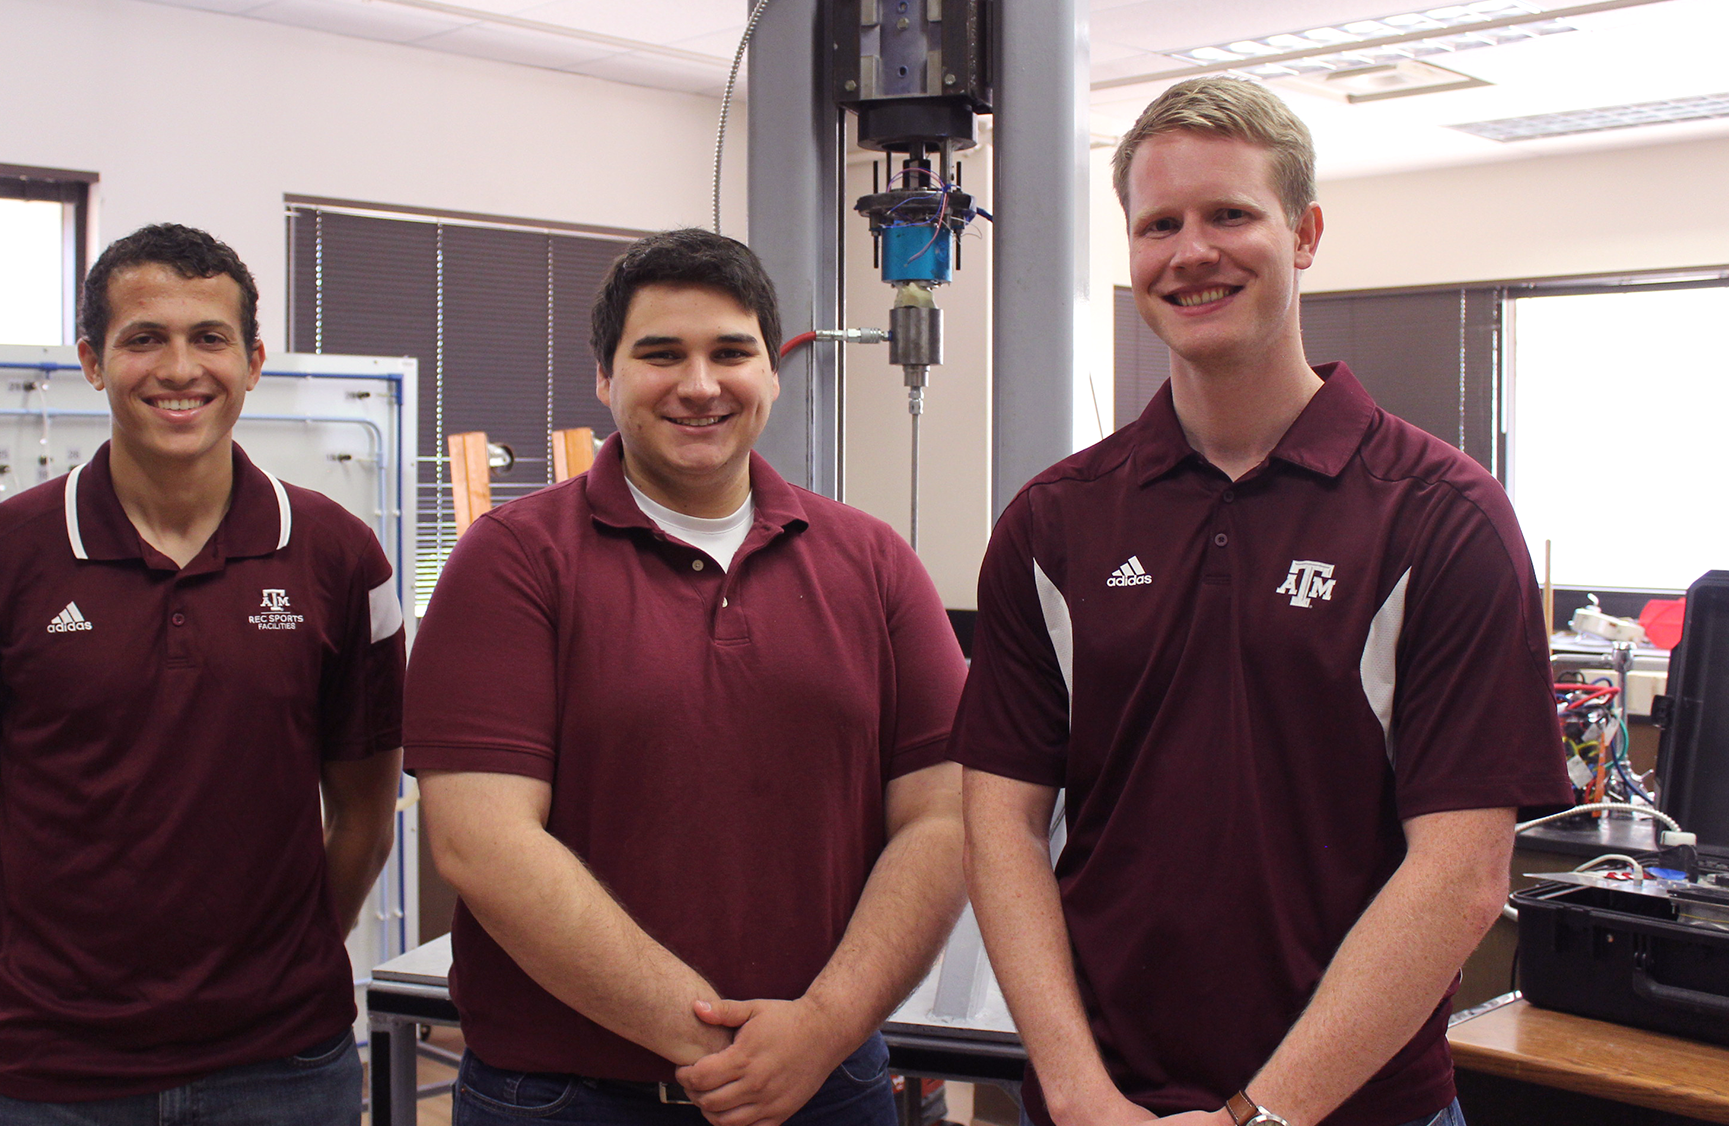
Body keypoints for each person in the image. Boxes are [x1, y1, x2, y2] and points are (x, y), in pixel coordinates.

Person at [954, 77, 1572, 1126]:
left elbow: (1461, 872)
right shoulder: (1052, 525)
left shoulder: (1438, 518)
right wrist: (1075, 1092)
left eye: (1228, 213)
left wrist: (1259, 1116)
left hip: (1355, 1110)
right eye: (1157, 225)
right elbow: (1000, 825)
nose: (1190, 252)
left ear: (1304, 233)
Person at [404, 228, 969, 1126]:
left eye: (731, 353)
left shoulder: (873, 562)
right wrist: (728, 1051)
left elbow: (943, 816)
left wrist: (821, 1030)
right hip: (564, 1099)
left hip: (830, 1085)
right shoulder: (510, 562)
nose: (700, 385)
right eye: (660, 354)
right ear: (606, 377)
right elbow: (484, 844)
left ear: (772, 374)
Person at [0, 223, 404, 1124]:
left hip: (286, 1068)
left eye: (209, 338)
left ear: (253, 361)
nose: (180, 369)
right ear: (94, 362)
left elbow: (365, 812)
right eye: (145, 339)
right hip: (50, 1078)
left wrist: (281, 968)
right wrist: (37, 976)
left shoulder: (340, 559)